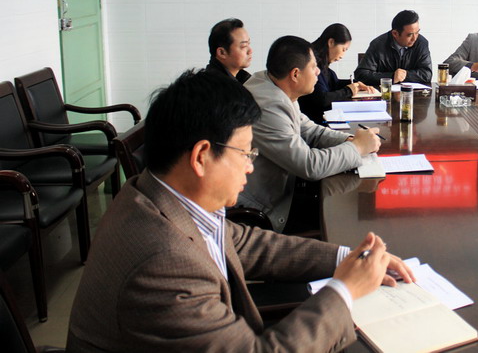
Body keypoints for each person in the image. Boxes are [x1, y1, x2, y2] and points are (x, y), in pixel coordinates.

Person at [66, 70, 413, 352]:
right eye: (246, 153)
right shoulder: (162, 264)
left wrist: (346, 259)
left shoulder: (159, 194)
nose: (250, 167)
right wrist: (345, 290)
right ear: (202, 156)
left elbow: (246, 243)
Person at [240, 36, 381, 233]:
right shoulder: (269, 105)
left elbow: (310, 130)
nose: (318, 72)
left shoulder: (274, 85)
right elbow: (309, 165)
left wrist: (349, 139)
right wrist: (357, 148)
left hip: (286, 190)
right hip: (263, 212)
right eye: (314, 67)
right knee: (346, 219)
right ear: (295, 74)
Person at [299, 23, 377, 124]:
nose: (342, 56)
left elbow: (333, 83)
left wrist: (356, 84)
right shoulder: (313, 63)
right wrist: (349, 90)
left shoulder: (322, 63)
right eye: (343, 49)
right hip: (312, 121)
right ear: (331, 42)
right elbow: (322, 99)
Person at [354, 10, 432, 86]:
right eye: (409, 35)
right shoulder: (378, 45)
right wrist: (392, 77)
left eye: (417, 32)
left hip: (413, 93)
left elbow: (427, 74)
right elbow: (361, 75)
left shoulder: (421, 43)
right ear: (395, 33)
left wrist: (406, 75)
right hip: (384, 92)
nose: (414, 38)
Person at [206, 18, 253, 84]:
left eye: (248, 44)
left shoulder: (244, 80)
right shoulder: (212, 85)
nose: (250, 51)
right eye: (244, 46)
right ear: (222, 53)